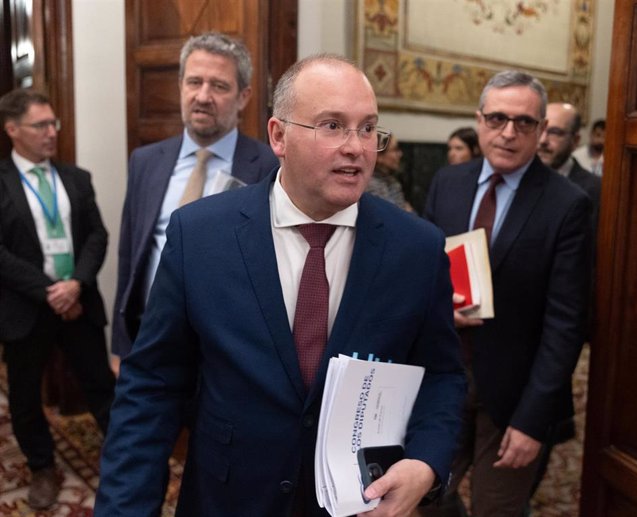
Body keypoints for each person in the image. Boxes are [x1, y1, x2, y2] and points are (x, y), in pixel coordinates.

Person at [95, 54, 466, 516]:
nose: (356, 147)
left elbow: (442, 374)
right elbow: (152, 386)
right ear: (278, 136)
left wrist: (426, 462)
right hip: (229, 499)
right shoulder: (201, 235)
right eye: (332, 126)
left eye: (368, 128)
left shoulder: (417, 247)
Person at [422, 71, 592, 517]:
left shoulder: (567, 204)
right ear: (479, 121)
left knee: (497, 509)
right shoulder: (448, 183)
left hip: (514, 394)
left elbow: (566, 323)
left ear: (540, 131)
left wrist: (533, 420)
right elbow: (421, 273)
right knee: (425, 497)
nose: (508, 132)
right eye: (497, 118)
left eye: (524, 122)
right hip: (442, 377)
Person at [111, 32, 278, 363]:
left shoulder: (270, 168)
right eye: (194, 82)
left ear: (243, 97)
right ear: (180, 86)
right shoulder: (145, 162)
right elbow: (129, 254)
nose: (203, 96)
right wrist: (120, 345)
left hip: (227, 347)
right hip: (151, 334)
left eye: (219, 86)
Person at [0, 88, 115, 510]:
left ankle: (122, 455)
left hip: (79, 301)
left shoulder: (76, 178)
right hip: (26, 309)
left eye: (54, 124)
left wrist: (77, 284)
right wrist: (49, 290)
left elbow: (97, 236)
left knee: (100, 383)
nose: (51, 132)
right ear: (13, 130)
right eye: (41, 125)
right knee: (26, 395)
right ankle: (42, 467)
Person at [538, 102, 601, 243]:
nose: (543, 140)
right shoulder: (517, 177)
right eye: (540, 129)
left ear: (575, 140)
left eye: (554, 132)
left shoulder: (594, 189)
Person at [365, 134, 414, 211]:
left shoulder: (392, 182)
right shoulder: (369, 184)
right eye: (395, 150)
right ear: (379, 156)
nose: (400, 154)